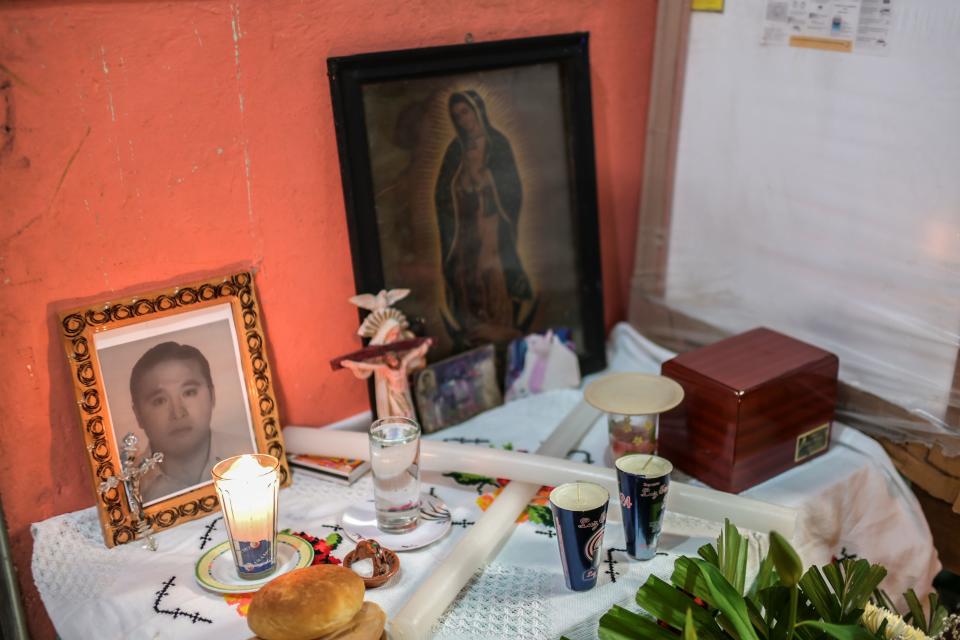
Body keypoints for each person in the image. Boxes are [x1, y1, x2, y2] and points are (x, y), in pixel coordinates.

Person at [435, 90, 535, 348]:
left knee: (492, 268)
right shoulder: (455, 150)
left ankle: (501, 324)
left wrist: (488, 182)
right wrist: (461, 187)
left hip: (492, 220)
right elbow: (442, 191)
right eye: (456, 115)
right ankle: (475, 326)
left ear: (477, 110)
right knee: (465, 270)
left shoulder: (497, 144)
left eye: (465, 112)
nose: (462, 119)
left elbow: (512, 187)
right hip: (464, 222)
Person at [130, 341, 252, 502]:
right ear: (138, 415)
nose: (178, 413)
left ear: (212, 396)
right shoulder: (127, 489)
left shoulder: (253, 456)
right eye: (159, 401)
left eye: (189, 392)